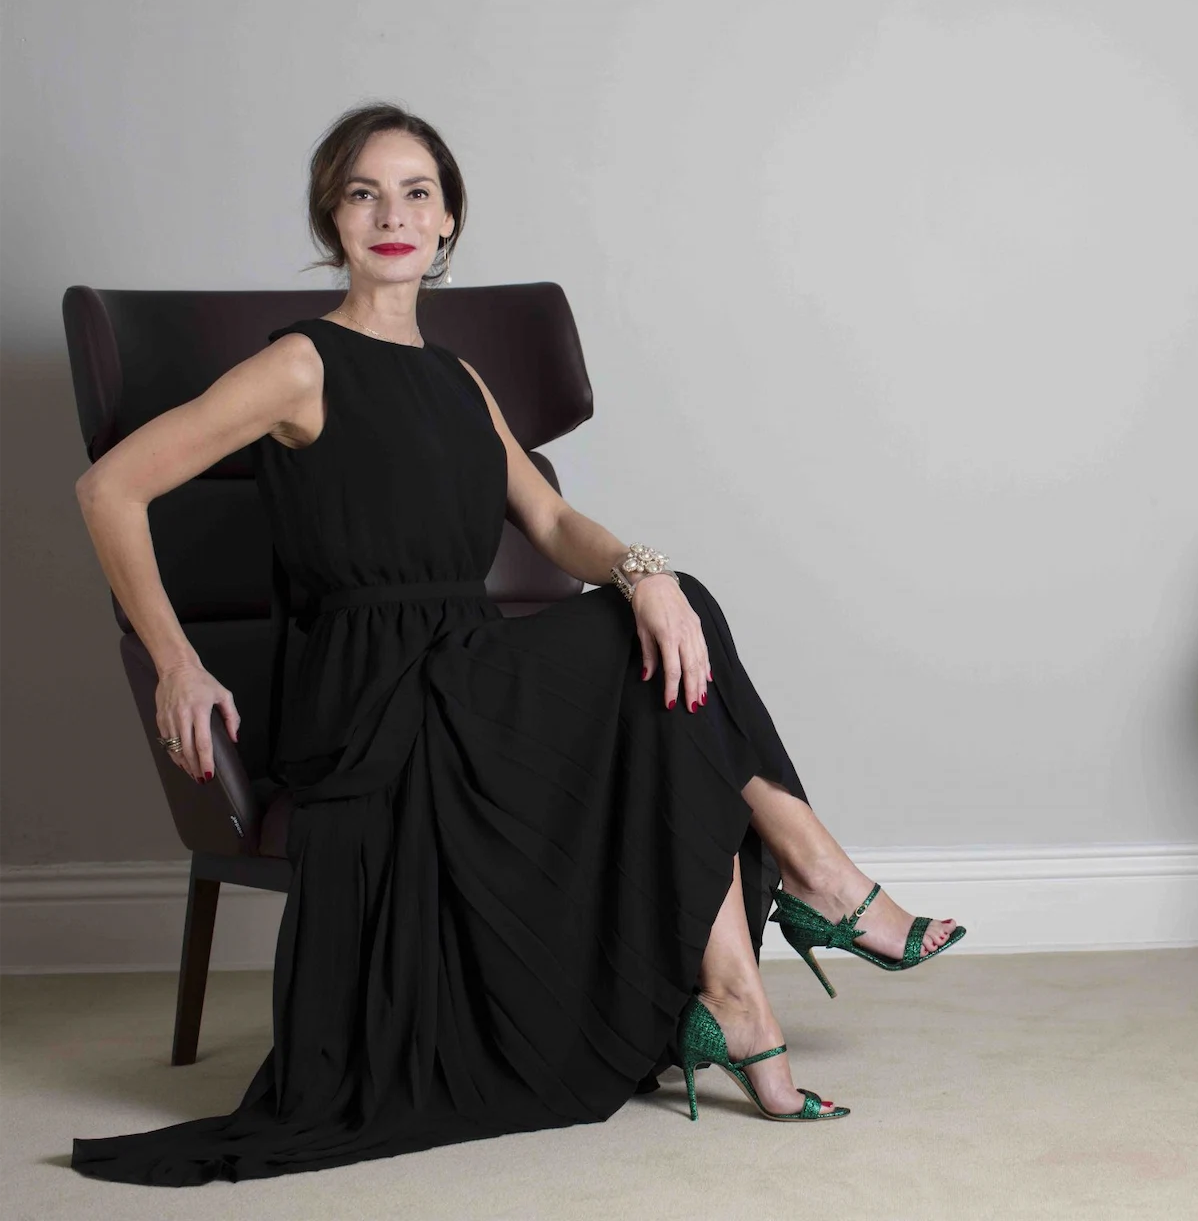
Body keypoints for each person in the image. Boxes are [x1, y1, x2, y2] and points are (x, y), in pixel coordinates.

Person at [67, 103, 963, 1186]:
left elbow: (548, 521)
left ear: (448, 221)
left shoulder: (458, 380)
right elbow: (109, 488)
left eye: (417, 194)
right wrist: (176, 658)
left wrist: (641, 570)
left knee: (666, 627)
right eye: (363, 194)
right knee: (661, 648)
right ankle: (817, 885)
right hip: (375, 704)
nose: (392, 216)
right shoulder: (301, 365)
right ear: (330, 217)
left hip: (467, 675)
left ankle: (744, 1001)